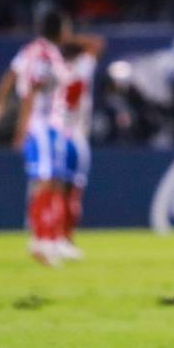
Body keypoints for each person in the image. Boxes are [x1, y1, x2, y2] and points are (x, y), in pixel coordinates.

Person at [0, 9, 71, 266]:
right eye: (67, 27)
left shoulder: (35, 51)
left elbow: (11, 74)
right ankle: (40, 238)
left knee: (54, 181)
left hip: (50, 125)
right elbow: (31, 90)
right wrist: (22, 128)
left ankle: (50, 237)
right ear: (59, 29)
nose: (69, 32)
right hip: (41, 125)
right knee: (44, 180)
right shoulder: (43, 55)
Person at [48, 36, 105, 260]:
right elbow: (97, 44)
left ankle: (53, 237)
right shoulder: (82, 67)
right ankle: (64, 238)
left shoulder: (57, 68)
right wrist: (72, 38)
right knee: (72, 191)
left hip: (57, 133)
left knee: (57, 189)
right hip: (75, 134)